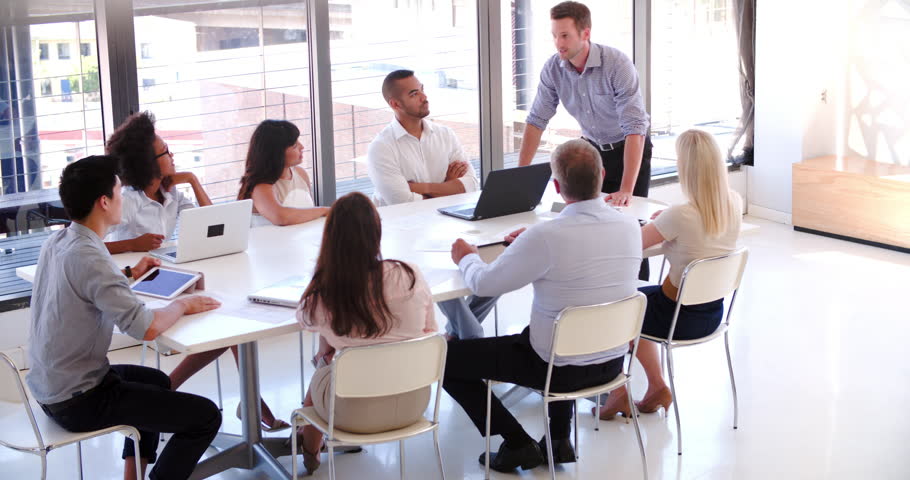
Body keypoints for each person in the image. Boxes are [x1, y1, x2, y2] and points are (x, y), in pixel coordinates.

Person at [443, 139, 641, 472]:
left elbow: (484, 283)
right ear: (603, 174)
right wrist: (533, 241)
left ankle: (518, 443)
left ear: (557, 186)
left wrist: (468, 258)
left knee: (447, 361)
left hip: (556, 370)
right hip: (612, 362)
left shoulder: (547, 236)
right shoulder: (629, 226)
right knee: (562, 321)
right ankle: (559, 440)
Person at [26, 155, 222, 480]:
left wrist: (131, 272)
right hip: (80, 400)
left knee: (157, 382)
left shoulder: (61, 240)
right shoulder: (90, 256)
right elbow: (145, 327)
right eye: (118, 191)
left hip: (52, 386)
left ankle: (133, 474)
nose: (123, 197)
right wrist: (185, 305)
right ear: (104, 202)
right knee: (205, 417)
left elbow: (86, 281)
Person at [596, 129, 743, 419]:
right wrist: (663, 226)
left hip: (677, 317)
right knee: (637, 299)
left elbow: (629, 246)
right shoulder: (734, 202)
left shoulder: (681, 214)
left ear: (686, 167)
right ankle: (656, 387)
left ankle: (617, 394)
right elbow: (694, 240)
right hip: (712, 313)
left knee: (614, 306)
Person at [294, 192, 438, 475]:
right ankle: (311, 449)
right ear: (377, 231)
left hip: (349, 415)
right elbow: (429, 331)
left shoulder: (324, 294)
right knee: (335, 353)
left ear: (329, 239)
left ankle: (310, 453)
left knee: (325, 362)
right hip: (413, 402)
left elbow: (304, 318)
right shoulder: (409, 275)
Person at [517, 1, 652, 280]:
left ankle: (638, 292)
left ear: (585, 33)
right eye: (554, 35)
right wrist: (521, 174)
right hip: (591, 151)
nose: (558, 43)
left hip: (629, 148)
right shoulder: (554, 68)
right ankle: (595, 287)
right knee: (587, 222)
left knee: (631, 225)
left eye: (564, 35)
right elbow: (536, 121)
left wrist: (627, 188)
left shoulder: (617, 64)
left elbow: (635, 128)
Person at [367, 69, 496, 340]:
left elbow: (471, 183)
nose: (424, 97)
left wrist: (421, 188)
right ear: (395, 104)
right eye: (414, 93)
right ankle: (470, 338)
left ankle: (455, 336)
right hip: (404, 238)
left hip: (448, 225)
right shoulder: (382, 148)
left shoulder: (445, 135)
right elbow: (401, 201)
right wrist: (447, 186)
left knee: (496, 271)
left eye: (422, 89)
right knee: (444, 273)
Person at [104, 111, 212, 253]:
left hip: (160, 267)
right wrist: (131, 244)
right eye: (165, 151)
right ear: (149, 164)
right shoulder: (129, 201)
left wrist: (192, 179)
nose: (171, 155)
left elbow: (210, 222)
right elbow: (88, 246)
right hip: (133, 271)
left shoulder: (170, 194)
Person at [238, 120, 329, 226]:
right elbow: (281, 217)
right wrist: (323, 210)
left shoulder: (300, 173)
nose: (302, 147)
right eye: (294, 145)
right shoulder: (260, 187)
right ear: (277, 153)